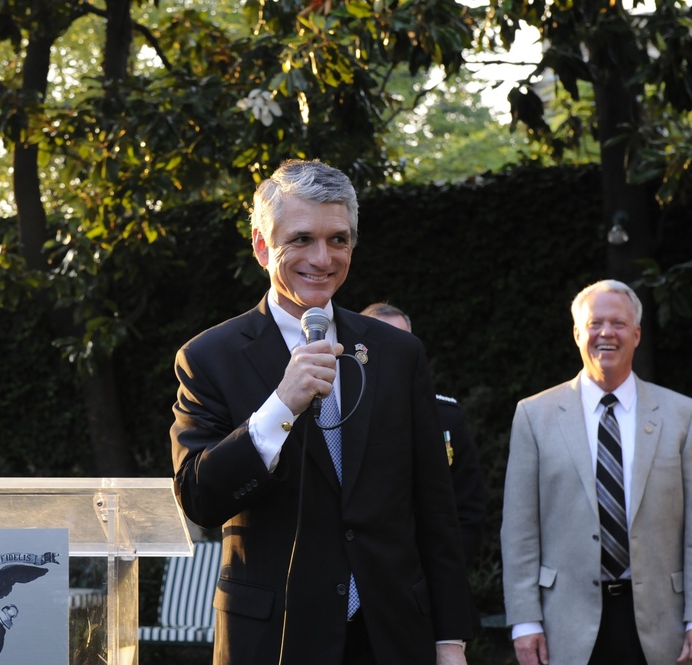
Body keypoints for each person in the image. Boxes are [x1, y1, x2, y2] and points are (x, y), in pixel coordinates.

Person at [170, 159, 473, 664]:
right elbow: (199, 499)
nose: (322, 258)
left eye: (339, 239)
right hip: (276, 639)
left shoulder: (397, 354)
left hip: (391, 634)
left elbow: (435, 509)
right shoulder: (209, 358)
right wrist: (280, 405)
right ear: (262, 245)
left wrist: (450, 640)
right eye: (301, 239)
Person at [501, 279, 692, 665]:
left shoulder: (682, 415)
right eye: (594, 323)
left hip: (660, 625)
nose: (606, 333)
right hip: (564, 626)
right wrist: (524, 622)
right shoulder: (534, 416)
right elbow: (520, 529)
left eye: (618, 324)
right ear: (577, 333)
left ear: (636, 334)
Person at [359, 302, 486, 570]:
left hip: (434, 573)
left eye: (402, 342)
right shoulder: (340, 418)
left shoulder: (447, 417)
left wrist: (448, 571)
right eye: (383, 342)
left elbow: (468, 509)